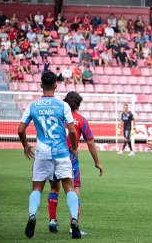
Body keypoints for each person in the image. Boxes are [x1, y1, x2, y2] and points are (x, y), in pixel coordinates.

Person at [17, 72, 81, 239]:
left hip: (42, 152)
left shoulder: (33, 106)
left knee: (37, 188)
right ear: (55, 86)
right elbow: (72, 131)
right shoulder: (63, 106)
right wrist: (73, 148)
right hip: (61, 152)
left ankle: (32, 215)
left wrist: (25, 145)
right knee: (69, 188)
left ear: (41, 85)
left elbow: (20, 130)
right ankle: (74, 220)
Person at [47, 91, 103, 235]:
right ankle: (74, 226)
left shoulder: (57, 117)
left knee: (54, 188)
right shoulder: (81, 120)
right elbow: (90, 142)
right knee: (75, 189)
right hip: (71, 158)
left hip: (54, 156)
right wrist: (97, 162)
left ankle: (52, 220)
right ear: (78, 105)